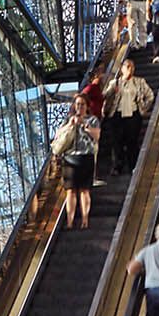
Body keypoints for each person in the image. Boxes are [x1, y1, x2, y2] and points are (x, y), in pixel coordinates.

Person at [54, 95, 101, 227]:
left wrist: (86, 127)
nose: (79, 107)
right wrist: (70, 125)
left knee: (84, 190)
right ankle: (70, 221)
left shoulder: (92, 120)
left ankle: (85, 220)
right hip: (69, 158)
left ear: (87, 106)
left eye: (82, 105)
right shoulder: (68, 120)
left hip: (86, 156)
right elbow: (58, 135)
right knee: (70, 190)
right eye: (77, 104)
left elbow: (97, 136)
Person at [102, 55, 153, 174]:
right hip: (117, 115)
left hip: (133, 115)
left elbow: (150, 95)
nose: (130, 69)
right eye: (127, 66)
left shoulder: (139, 82)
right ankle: (117, 166)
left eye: (132, 67)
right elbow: (106, 95)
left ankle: (133, 166)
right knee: (117, 141)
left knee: (132, 141)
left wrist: (143, 108)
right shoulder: (115, 83)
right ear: (122, 69)